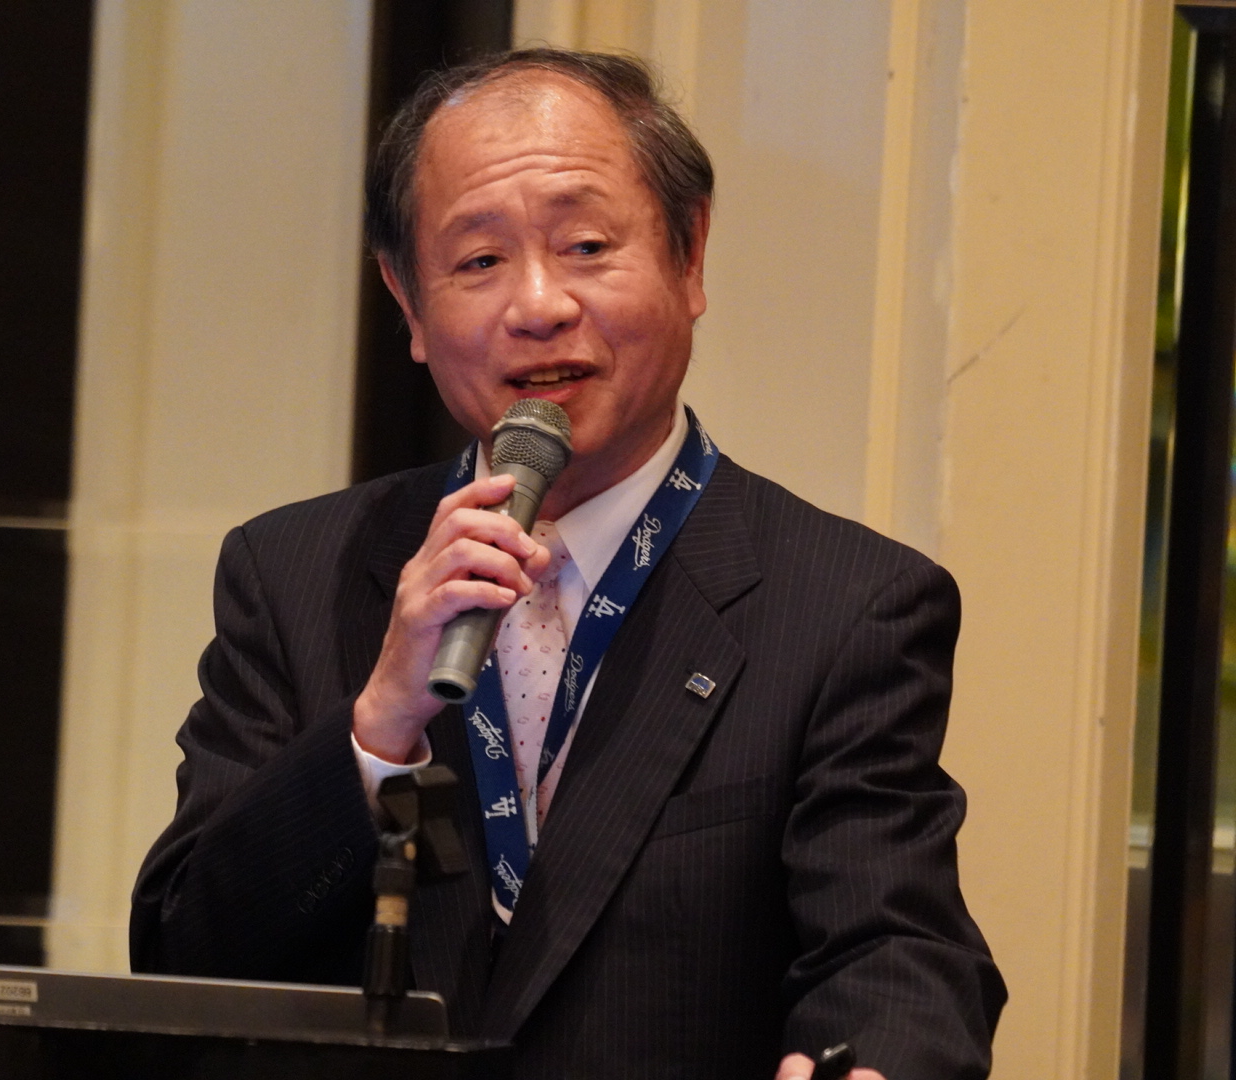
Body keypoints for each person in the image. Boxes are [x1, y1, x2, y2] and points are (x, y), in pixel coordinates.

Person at [130, 48, 1005, 1079]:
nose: (538, 305)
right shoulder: (292, 575)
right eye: (478, 262)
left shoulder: (846, 606)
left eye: (586, 245)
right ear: (406, 303)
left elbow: (897, 952)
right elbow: (182, 954)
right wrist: (374, 730)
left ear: (689, 255)